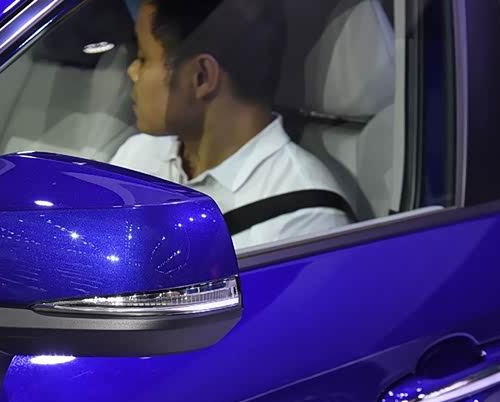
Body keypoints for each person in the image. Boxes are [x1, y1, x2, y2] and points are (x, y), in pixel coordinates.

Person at [111, 0, 353, 250]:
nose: (132, 71)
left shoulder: (304, 218)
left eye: (143, 58)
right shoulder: (138, 154)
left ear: (202, 77)